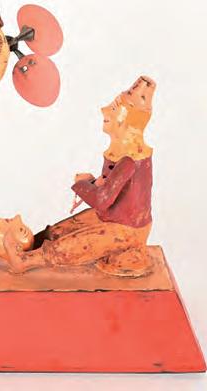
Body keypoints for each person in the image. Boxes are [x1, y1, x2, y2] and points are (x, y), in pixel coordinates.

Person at [36, 76, 156, 277]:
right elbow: (110, 188)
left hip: (126, 229)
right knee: (54, 233)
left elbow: (102, 200)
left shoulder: (130, 159)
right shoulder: (122, 154)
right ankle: (26, 244)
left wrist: (82, 184)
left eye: (114, 108)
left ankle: (23, 260)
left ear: (128, 120)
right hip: (109, 217)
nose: (104, 110)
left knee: (62, 249)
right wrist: (94, 182)